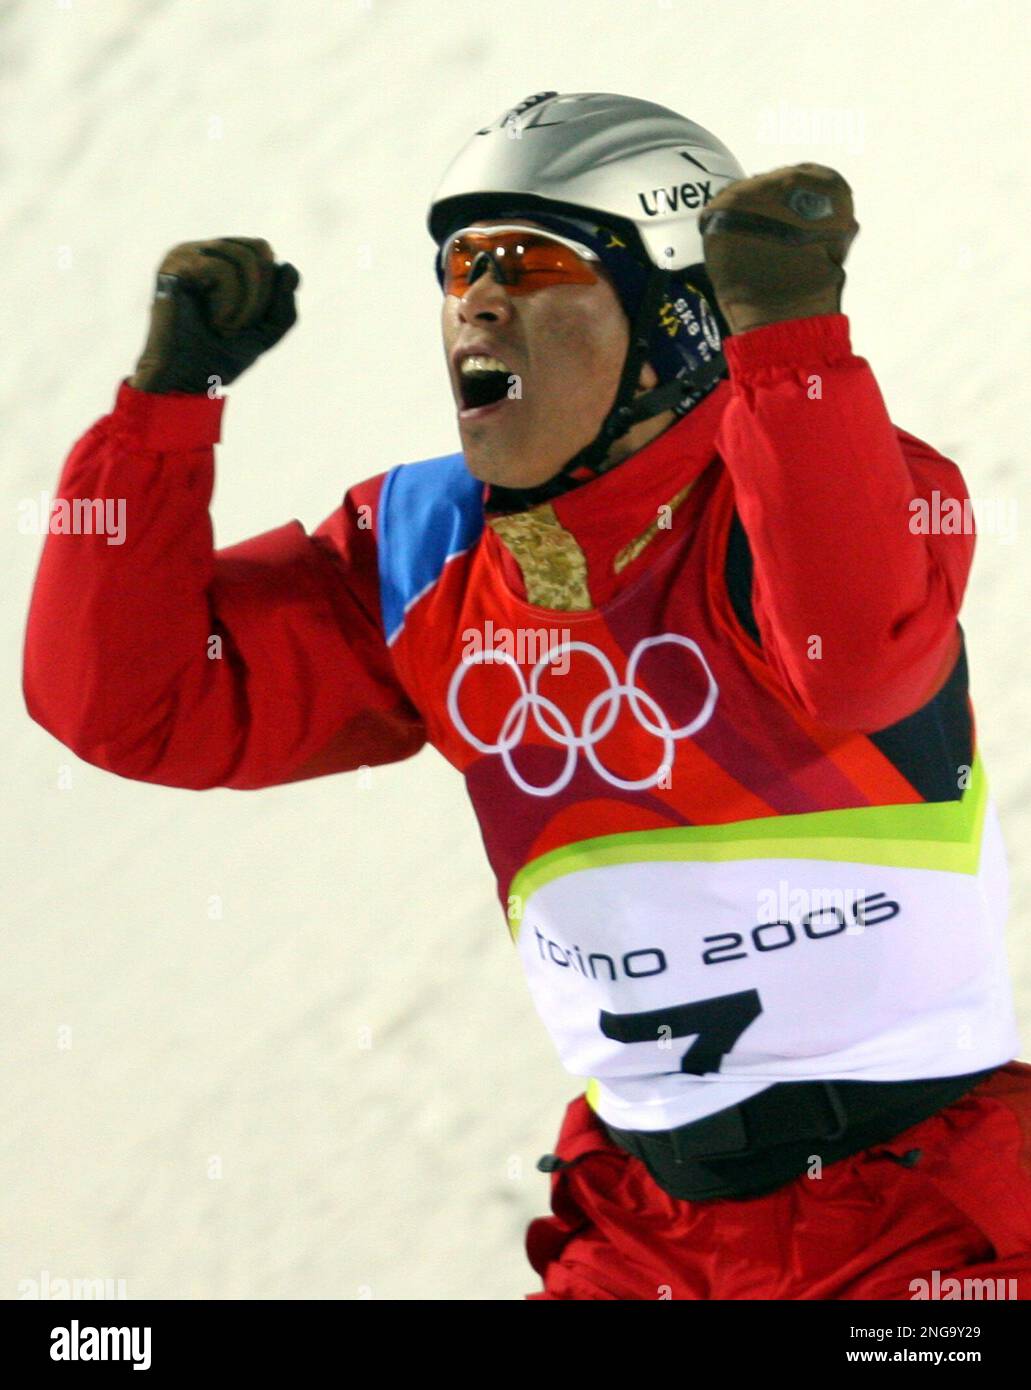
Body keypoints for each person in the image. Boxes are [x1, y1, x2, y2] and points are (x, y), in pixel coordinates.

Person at [23, 91, 1031, 1301]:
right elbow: (128, 703)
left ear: (678, 312)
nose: (477, 299)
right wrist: (161, 414)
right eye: (459, 266)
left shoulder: (840, 481)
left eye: (536, 259)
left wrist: (792, 344)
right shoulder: (419, 546)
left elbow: (855, 654)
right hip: (644, 1233)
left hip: (919, 1219)